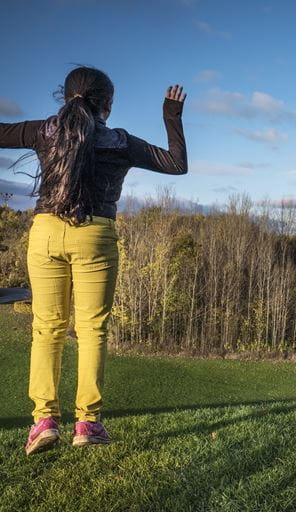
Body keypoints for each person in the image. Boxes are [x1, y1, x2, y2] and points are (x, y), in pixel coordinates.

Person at [0, 66, 188, 455]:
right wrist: (171, 116)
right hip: (96, 236)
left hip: (46, 231)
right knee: (91, 331)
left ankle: (43, 422)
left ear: (66, 98)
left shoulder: (44, 130)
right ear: (108, 105)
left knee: (46, 329)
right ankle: (87, 422)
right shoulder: (120, 141)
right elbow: (176, 163)